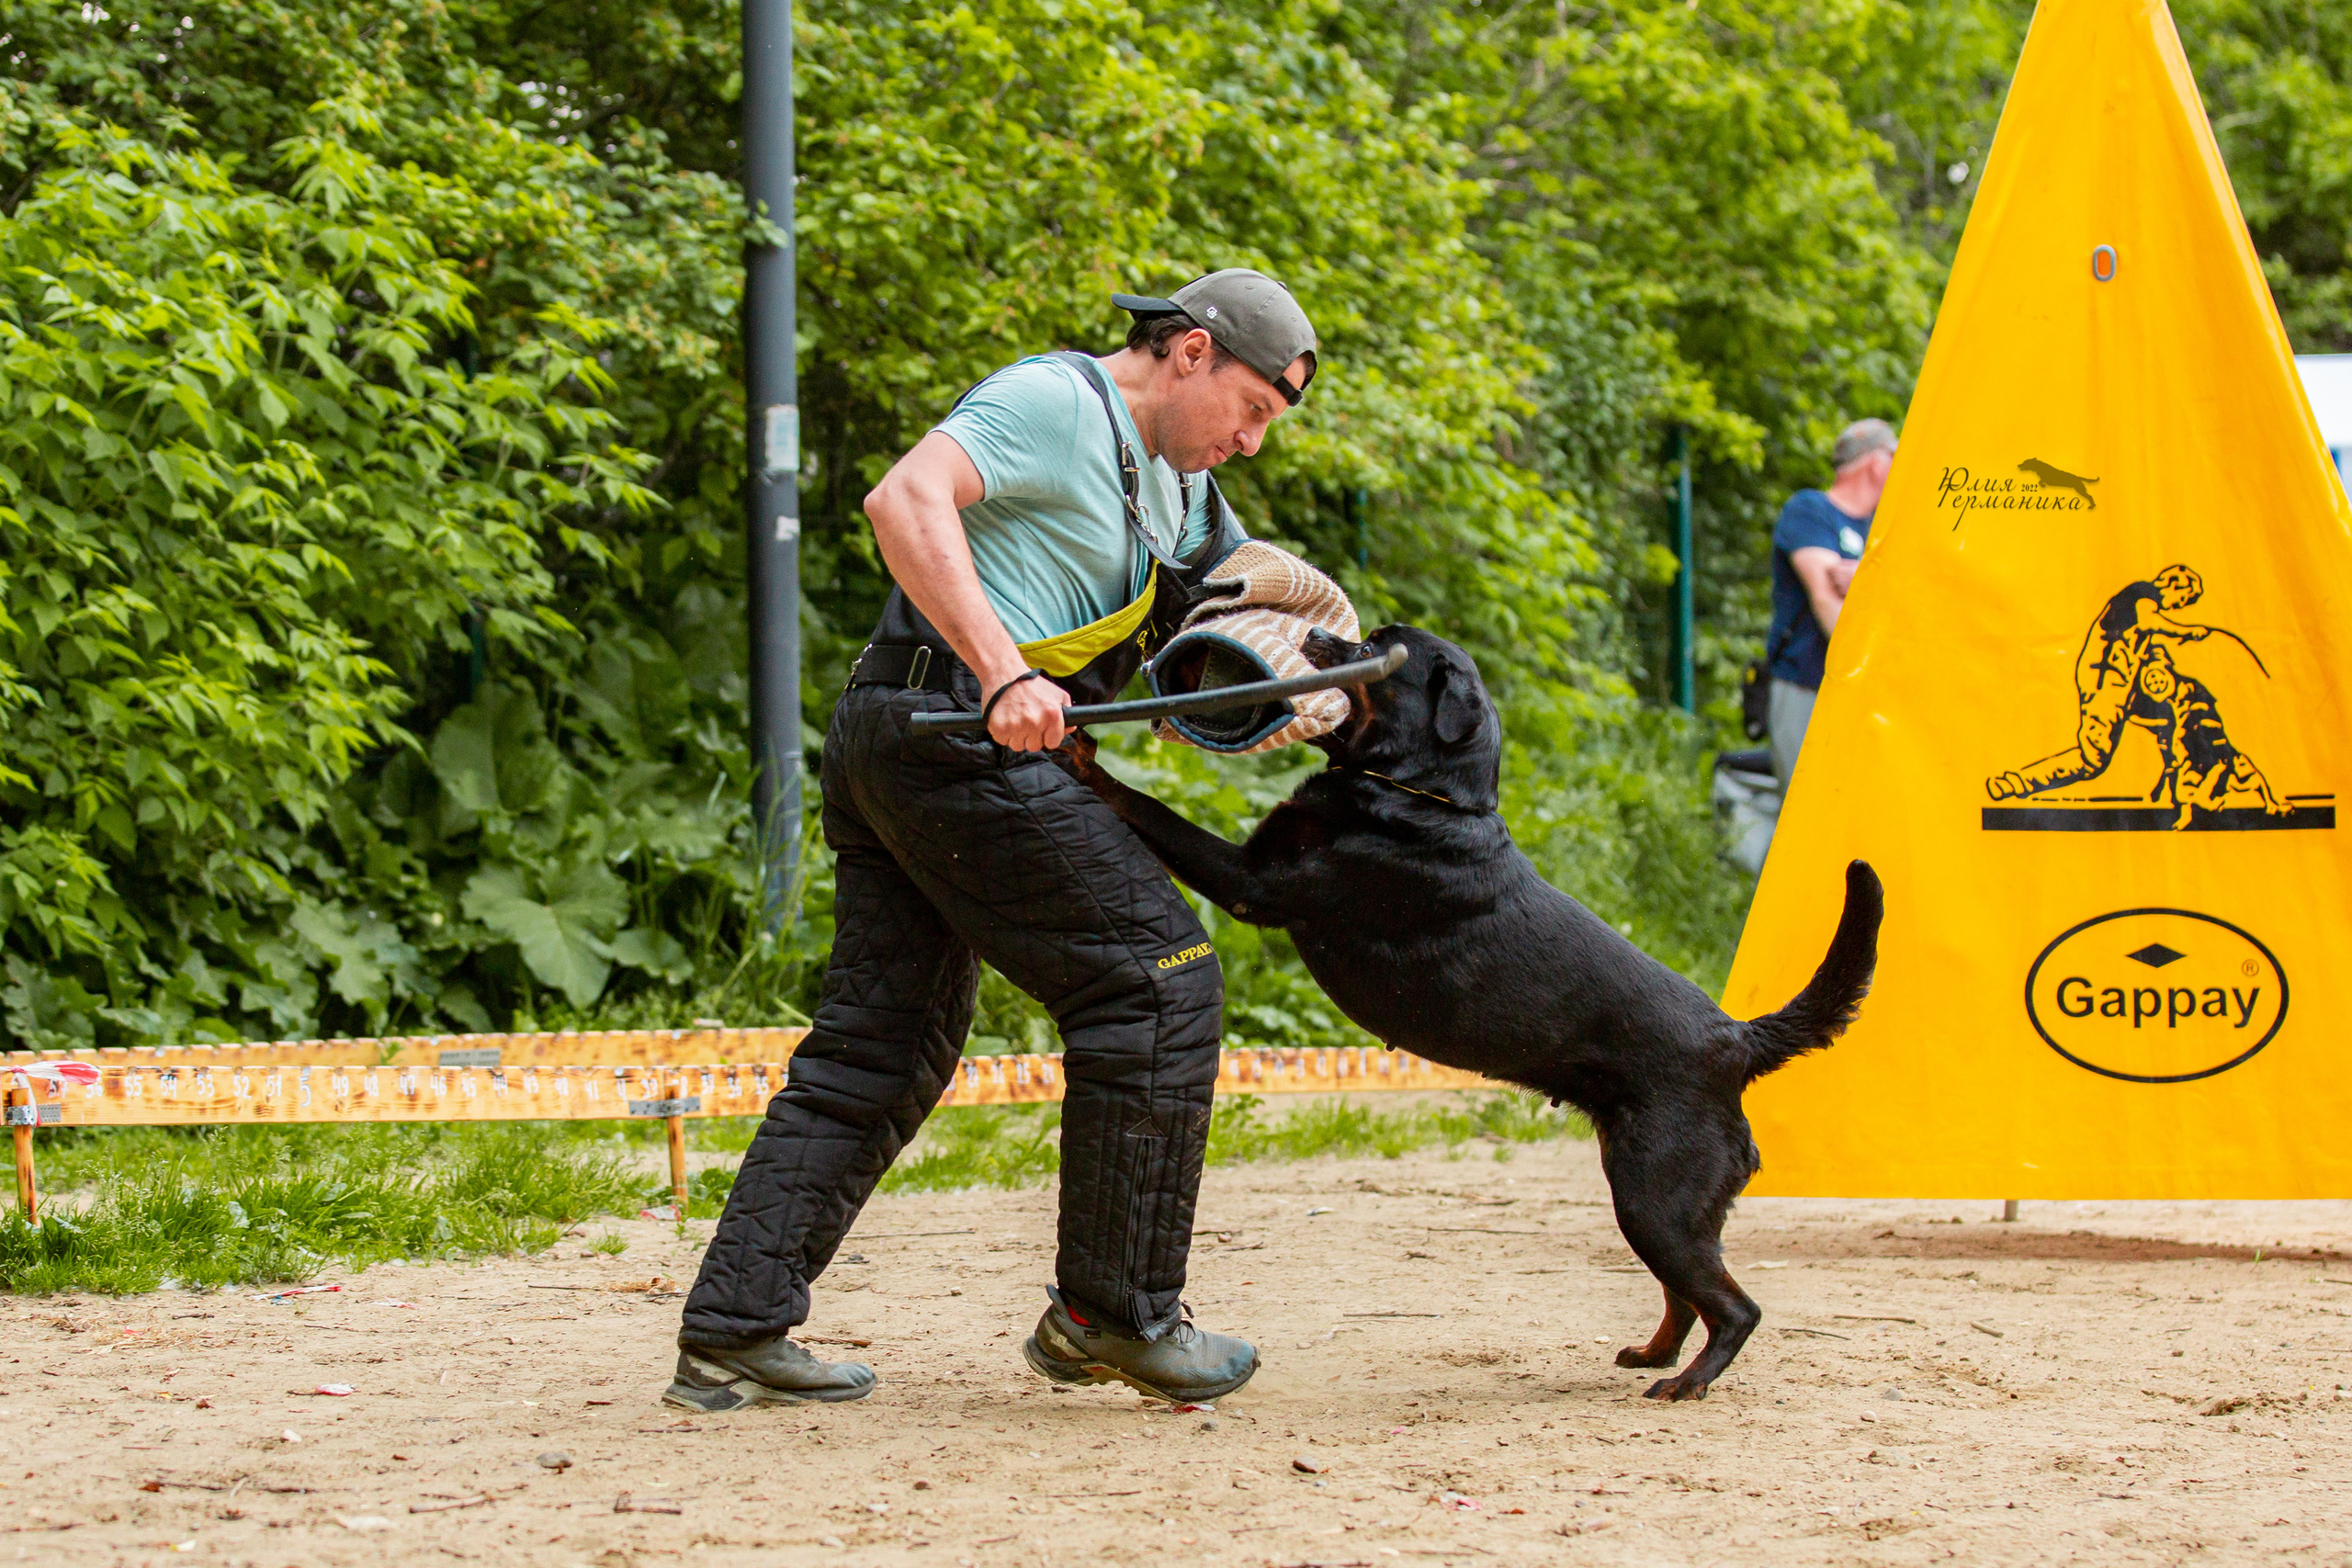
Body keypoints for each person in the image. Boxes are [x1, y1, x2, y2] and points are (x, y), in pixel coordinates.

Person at [665, 270, 1318, 1413]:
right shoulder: (1055, 401)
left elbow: (1229, 613)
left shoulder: (1184, 492)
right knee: (1156, 983)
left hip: (910, 739)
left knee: (884, 1045)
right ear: (1189, 353)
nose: (1252, 441)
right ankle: (1112, 1316)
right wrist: (1003, 671)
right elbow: (902, 500)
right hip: (945, 732)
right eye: (1252, 408)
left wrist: (1265, 686)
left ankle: (734, 1328)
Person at [1985, 564, 2212, 801]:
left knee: (2167, 716)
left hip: (2121, 684)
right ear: (2173, 585)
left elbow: (2146, 641)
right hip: (2105, 681)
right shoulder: (2141, 594)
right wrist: (2187, 631)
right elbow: (2149, 622)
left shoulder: (2139, 609)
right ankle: (2014, 783)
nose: (2177, 607)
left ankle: (2175, 788)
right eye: (2182, 600)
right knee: (2092, 760)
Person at [1764, 419, 1898, 784]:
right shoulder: (1810, 510)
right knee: (1805, 803)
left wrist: (1867, 579)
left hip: (1863, 694)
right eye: (1894, 459)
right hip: (1806, 687)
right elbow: (1826, 600)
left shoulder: (1882, 530)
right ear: (1876, 464)